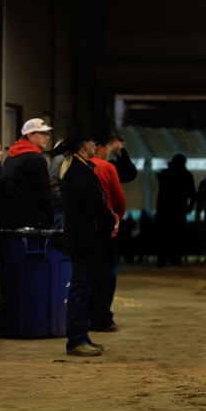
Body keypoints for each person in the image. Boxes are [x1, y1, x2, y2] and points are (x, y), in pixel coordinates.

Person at [59, 134, 115, 357]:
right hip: (85, 240)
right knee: (81, 288)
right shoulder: (79, 173)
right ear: (84, 145)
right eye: (93, 142)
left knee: (82, 287)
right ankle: (77, 339)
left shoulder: (77, 170)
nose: (96, 145)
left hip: (82, 238)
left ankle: (80, 336)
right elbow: (94, 207)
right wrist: (108, 219)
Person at [90, 134, 126, 333]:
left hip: (84, 230)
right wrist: (117, 218)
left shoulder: (75, 167)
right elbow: (119, 198)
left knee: (86, 274)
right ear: (100, 147)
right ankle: (102, 317)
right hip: (106, 229)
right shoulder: (106, 168)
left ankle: (83, 316)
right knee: (107, 274)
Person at [0, 118, 54, 230]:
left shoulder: (10, 157)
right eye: (42, 134)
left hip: (10, 221)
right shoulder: (35, 159)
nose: (47, 137)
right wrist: (48, 220)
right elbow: (44, 193)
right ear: (29, 135)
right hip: (33, 223)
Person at [155, 153, 196, 267]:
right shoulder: (186, 175)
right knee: (177, 236)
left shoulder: (165, 174)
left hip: (164, 210)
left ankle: (162, 259)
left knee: (163, 235)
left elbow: (158, 178)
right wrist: (189, 207)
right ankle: (176, 258)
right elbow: (192, 194)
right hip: (179, 210)